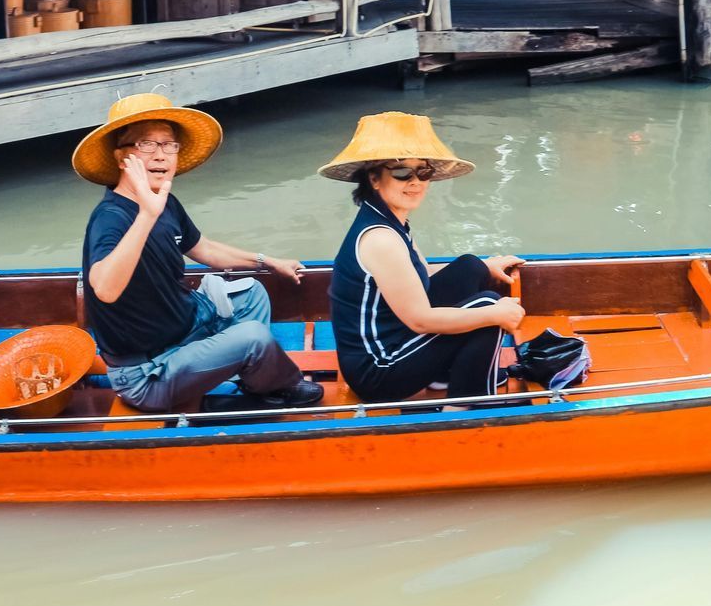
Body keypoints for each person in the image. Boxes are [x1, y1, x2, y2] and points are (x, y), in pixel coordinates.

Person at [76, 93, 323, 415]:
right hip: (147, 371)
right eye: (146, 144)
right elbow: (105, 289)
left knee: (252, 293)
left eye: (168, 145)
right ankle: (274, 382)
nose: (160, 154)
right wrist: (147, 215)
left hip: (185, 330)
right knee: (253, 338)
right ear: (123, 158)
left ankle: (254, 379)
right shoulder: (112, 217)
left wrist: (266, 261)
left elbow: (203, 248)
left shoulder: (165, 202)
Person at [321, 113, 526, 404]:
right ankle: (466, 405)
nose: (416, 182)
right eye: (402, 172)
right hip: (379, 372)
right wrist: (494, 315)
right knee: (488, 306)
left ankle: (442, 375)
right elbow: (420, 320)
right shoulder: (381, 239)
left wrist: (485, 266)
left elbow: (416, 273)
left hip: (394, 341)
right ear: (374, 178)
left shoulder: (389, 219)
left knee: (470, 267)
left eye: (423, 172)